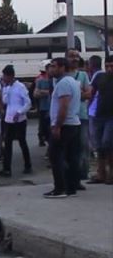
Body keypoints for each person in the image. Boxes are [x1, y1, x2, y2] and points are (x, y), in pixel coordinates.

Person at [44, 57, 82, 198]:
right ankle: (71, 187)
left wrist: (57, 126)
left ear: (62, 67)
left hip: (65, 124)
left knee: (56, 156)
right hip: (73, 124)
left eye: (54, 66)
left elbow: (63, 106)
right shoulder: (72, 82)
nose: (51, 69)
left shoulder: (64, 83)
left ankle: (60, 188)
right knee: (71, 157)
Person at [0, 65, 32, 177]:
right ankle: (6, 169)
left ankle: (28, 165)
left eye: (5, 76)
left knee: (22, 142)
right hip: (9, 119)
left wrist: (20, 112)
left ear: (10, 76)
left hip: (19, 119)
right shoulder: (7, 87)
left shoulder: (20, 87)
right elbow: (5, 101)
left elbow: (28, 103)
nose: (3, 78)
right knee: (7, 143)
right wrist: (4, 89)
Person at [67, 49, 92, 186]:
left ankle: (83, 173)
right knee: (70, 147)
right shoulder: (62, 76)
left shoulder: (83, 75)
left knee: (83, 145)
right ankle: (72, 176)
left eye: (77, 56)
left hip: (82, 115)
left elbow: (89, 94)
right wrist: (79, 93)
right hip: (68, 117)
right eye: (72, 56)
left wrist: (75, 94)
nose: (75, 59)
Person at [88, 55, 113, 184]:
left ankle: (111, 174)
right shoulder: (99, 77)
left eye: (112, 66)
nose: (109, 69)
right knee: (98, 146)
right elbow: (91, 93)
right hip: (98, 115)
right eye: (107, 66)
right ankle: (101, 174)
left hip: (111, 117)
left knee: (107, 143)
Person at [33, 62, 53, 147]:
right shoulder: (40, 80)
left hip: (53, 108)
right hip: (44, 107)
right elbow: (36, 93)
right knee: (43, 125)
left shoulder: (55, 80)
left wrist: (42, 92)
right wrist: (47, 92)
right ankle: (42, 138)